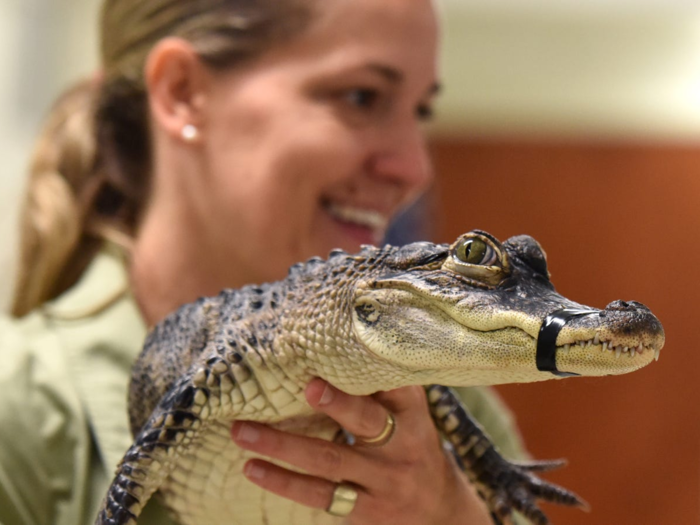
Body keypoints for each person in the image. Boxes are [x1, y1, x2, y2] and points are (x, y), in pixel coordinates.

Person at [1, 0, 526, 523]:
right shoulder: (20, 416)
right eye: (361, 97)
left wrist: (449, 513)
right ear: (182, 92)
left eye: (421, 110)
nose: (414, 169)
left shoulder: (451, 407)